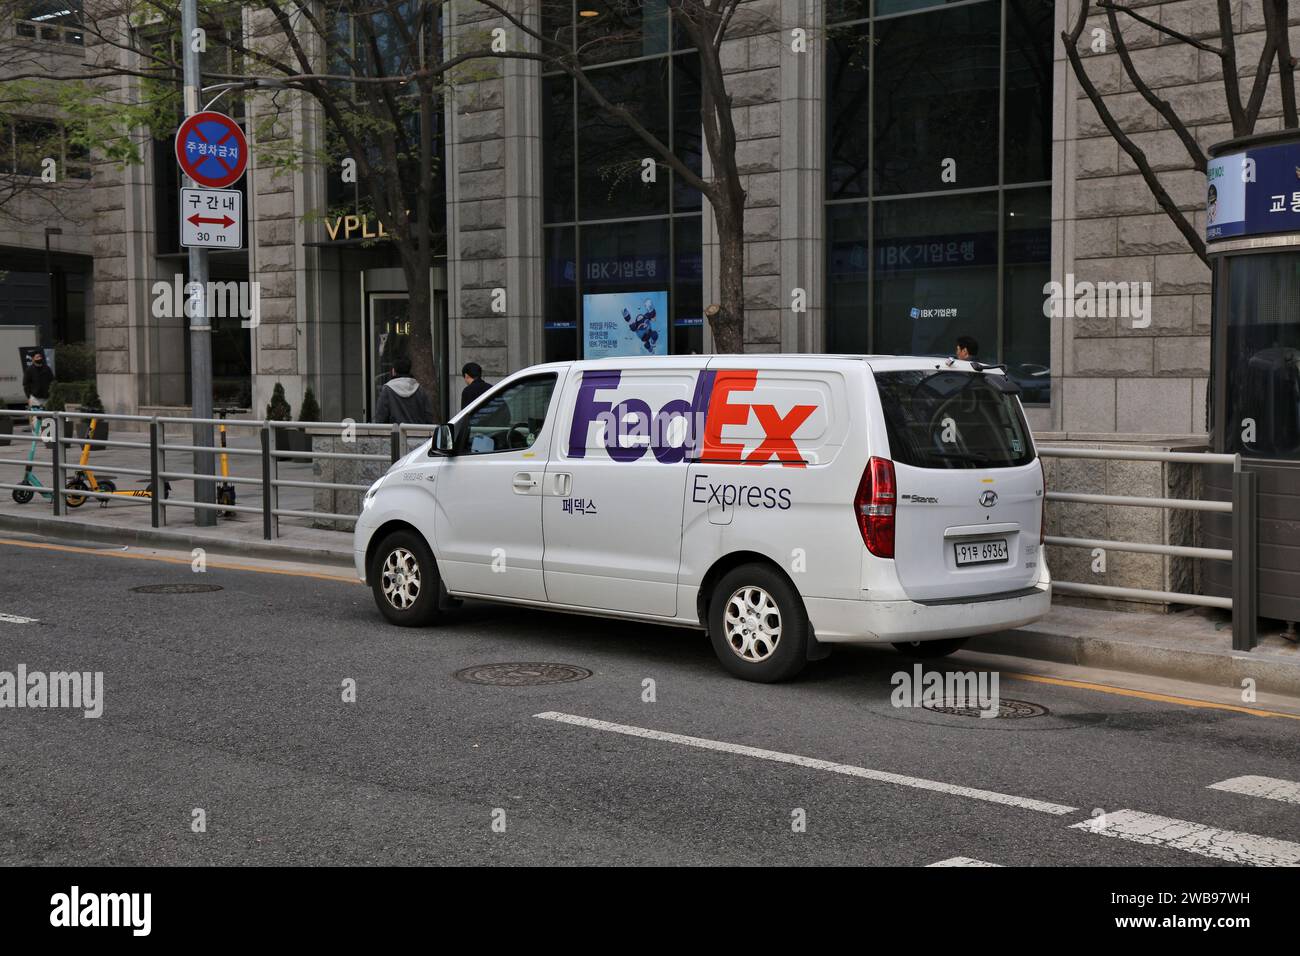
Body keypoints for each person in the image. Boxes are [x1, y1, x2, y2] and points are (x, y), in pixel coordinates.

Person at [374, 356, 434, 424]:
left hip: (395, 433)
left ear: (393, 371)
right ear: (409, 370)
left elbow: (380, 418)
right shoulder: (420, 390)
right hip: (417, 433)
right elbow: (428, 417)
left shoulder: (387, 390)